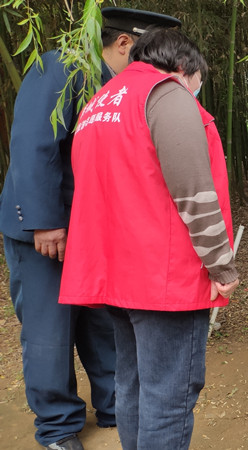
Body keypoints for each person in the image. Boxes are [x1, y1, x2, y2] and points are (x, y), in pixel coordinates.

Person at [0, 7, 180, 450]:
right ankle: (58, 427)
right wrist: (45, 223)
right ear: (123, 44)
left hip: (93, 231)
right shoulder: (61, 67)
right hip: (47, 229)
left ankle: (115, 404)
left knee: (102, 320)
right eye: (147, 56)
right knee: (49, 331)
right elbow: (33, 143)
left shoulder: (117, 86)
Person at [58, 28, 239, 450]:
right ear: (183, 69)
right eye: (198, 85)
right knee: (169, 394)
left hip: (115, 274)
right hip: (163, 277)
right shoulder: (166, 94)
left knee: (134, 382)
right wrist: (221, 263)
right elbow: (194, 190)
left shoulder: (99, 102)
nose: (195, 94)